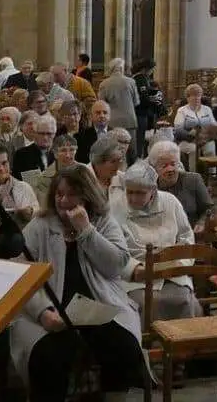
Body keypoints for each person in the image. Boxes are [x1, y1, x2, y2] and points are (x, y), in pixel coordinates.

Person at [10, 165, 145, 402]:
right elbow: (20, 275)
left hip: (98, 304)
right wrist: (42, 313)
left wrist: (86, 231)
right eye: (58, 194)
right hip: (51, 309)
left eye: (71, 194)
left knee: (123, 346)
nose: (63, 201)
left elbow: (116, 265)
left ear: (86, 195)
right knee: (48, 356)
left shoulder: (103, 220)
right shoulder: (40, 225)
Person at [117, 161, 203, 322]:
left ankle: (181, 343)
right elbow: (113, 249)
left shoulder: (170, 202)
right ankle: (148, 344)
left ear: (153, 190)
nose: (133, 198)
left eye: (140, 193)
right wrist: (133, 269)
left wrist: (181, 263)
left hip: (172, 272)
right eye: (130, 192)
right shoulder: (116, 207)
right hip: (136, 276)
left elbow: (186, 236)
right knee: (148, 302)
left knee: (183, 300)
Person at [147, 140, 212, 229]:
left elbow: (209, 209)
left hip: (192, 234)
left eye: (173, 164)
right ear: (154, 168)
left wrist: (202, 223)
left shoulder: (193, 179)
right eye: (164, 166)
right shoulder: (148, 186)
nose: (170, 169)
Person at [97, 58, 140, 160]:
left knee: (113, 150)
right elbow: (136, 102)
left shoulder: (104, 84)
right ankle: (132, 171)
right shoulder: (131, 82)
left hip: (112, 122)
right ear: (121, 68)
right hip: (129, 121)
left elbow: (102, 104)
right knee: (131, 151)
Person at [173, 84, 217, 171]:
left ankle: (211, 178)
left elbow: (214, 125)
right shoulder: (182, 110)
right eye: (194, 95)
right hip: (188, 141)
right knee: (194, 149)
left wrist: (205, 135)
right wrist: (193, 136)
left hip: (205, 139)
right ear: (188, 97)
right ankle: (193, 175)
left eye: (199, 95)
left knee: (210, 149)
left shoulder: (207, 109)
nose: (197, 98)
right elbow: (178, 130)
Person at [30, 133, 82, 206]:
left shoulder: (85, 171)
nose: (67, 155)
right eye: (63, 150)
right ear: (55, 153)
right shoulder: (43, 179)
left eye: (72, 150)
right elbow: (43, 208)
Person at [132, 58, 164, 162]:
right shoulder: (140, 78)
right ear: (146, 69)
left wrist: (155, 94)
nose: (152, 72)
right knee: (139, 140)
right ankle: (138, 160)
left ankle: (141, 158)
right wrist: (154, 100)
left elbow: (148, 93)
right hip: (140, 113)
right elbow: (143, 98)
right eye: (152, 69)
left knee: (141, 140)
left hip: (142, 113)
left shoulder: (143, 78)